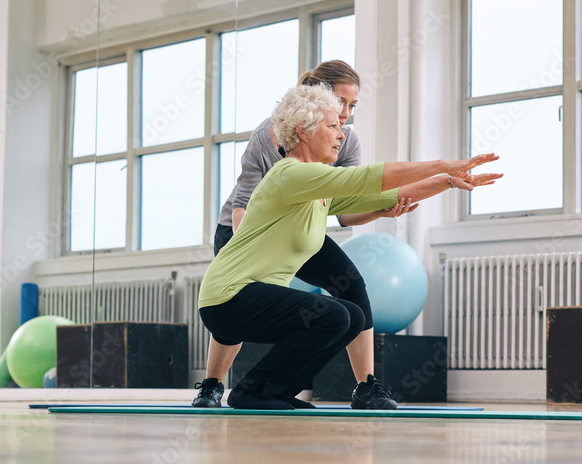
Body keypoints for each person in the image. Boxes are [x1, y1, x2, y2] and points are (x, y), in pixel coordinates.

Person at [197, 84, 501, 410]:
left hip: (251, 300)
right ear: (303, 131)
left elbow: (388, 195)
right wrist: (443, 164)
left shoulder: (316, 187)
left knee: (352, 317)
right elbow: (371, 178)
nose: (341, 135)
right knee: (332, 316)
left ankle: (275, 390)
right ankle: (254, 392)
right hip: (229, 298)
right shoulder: (290, 175)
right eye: (332, 126)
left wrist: (450, 181)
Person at [194, 61, 415, 410]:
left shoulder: (345, 140)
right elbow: (243, 204)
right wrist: (254, 257)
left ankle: (366, 387)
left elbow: (343, 207)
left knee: (351, 286)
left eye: (352, 106)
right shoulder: (268, 134)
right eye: (340, 102)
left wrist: (379, 209)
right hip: (243, 226)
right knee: (237, 306)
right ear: (317, 98)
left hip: (299, 228)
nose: (345, 113)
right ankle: (212, 386)